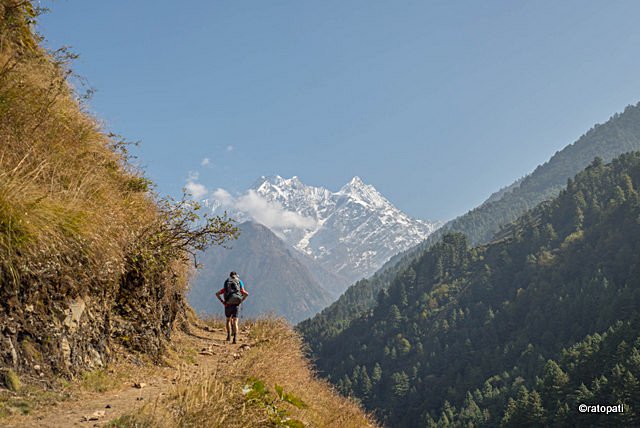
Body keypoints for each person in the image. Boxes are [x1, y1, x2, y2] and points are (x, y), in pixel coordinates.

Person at [215, 271, 249, 344]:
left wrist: (223, 302)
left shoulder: (227, 283)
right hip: (236, 304)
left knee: (228, 320)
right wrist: (241, 300)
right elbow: (245, 293)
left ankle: (228, 336)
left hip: (228, 304)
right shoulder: (239, 282)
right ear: (236, 276)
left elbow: (217, 294)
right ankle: (235, 338)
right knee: (235, 321)